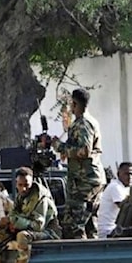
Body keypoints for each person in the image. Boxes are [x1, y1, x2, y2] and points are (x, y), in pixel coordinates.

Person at [48, 88, 105, 239]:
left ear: (74, 104)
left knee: (72, 227)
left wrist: (59, 146)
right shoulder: (91, 121)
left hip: (83, 182)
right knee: (89, 225)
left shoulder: (82, 124)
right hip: (90, 179)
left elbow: (84, 151)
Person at [1, 166, 62, 263]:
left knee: (22, 236)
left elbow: (38, 226)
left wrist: (15, 221)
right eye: (20, 185)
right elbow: (13, 214)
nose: (23, 188)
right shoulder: (21, 197)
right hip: (33, 228)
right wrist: (12, 222)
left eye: (26, 185)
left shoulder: (41, 198)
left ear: (32, 182)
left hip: (49, 232)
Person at [97, 162, 132, 238]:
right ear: (118, 174)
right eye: (126, 174)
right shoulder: (115, 187)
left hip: (115, 228)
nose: (130, 177)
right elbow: (125, 208)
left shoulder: (125, 188)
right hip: (108, 230)